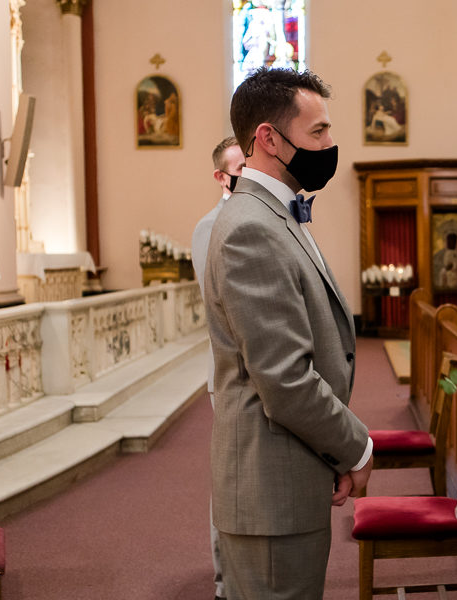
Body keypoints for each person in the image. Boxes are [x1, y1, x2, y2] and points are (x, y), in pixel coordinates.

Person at [203, 67, 373, 600]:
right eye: (318, 132)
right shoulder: (251, 227)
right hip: (268, 491)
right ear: (269, 139)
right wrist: (357, 448)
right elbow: (284, 379)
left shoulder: (275, 214)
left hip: (289, 478)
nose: (330, 144)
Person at [191, 136, 245, 600]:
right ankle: (225, 582)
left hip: (254, 373)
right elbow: (225, 310)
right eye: (239, 167)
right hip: (232, 375)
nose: (249, 173)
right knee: (231, 477)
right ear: (221, 176)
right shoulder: (213, 226)